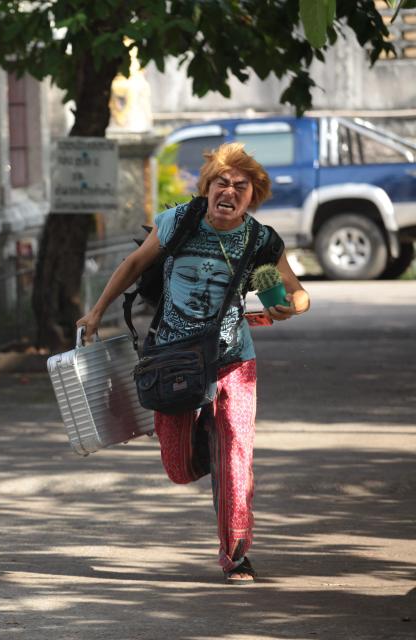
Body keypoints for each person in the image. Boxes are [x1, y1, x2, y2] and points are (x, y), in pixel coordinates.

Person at [77, 143, 310, 584]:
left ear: (251, 196)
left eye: (241, 186)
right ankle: (207, 438)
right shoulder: (177, 222)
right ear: (206, 188)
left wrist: (291, 306)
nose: (230, 190)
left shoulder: (260, 239)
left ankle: (236, 554)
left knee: (237, 454)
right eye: (221, 182)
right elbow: (133, 264)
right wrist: (95, 312)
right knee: (179, 466)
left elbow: (297, 291)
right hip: (172, 360)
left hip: (233, 361)